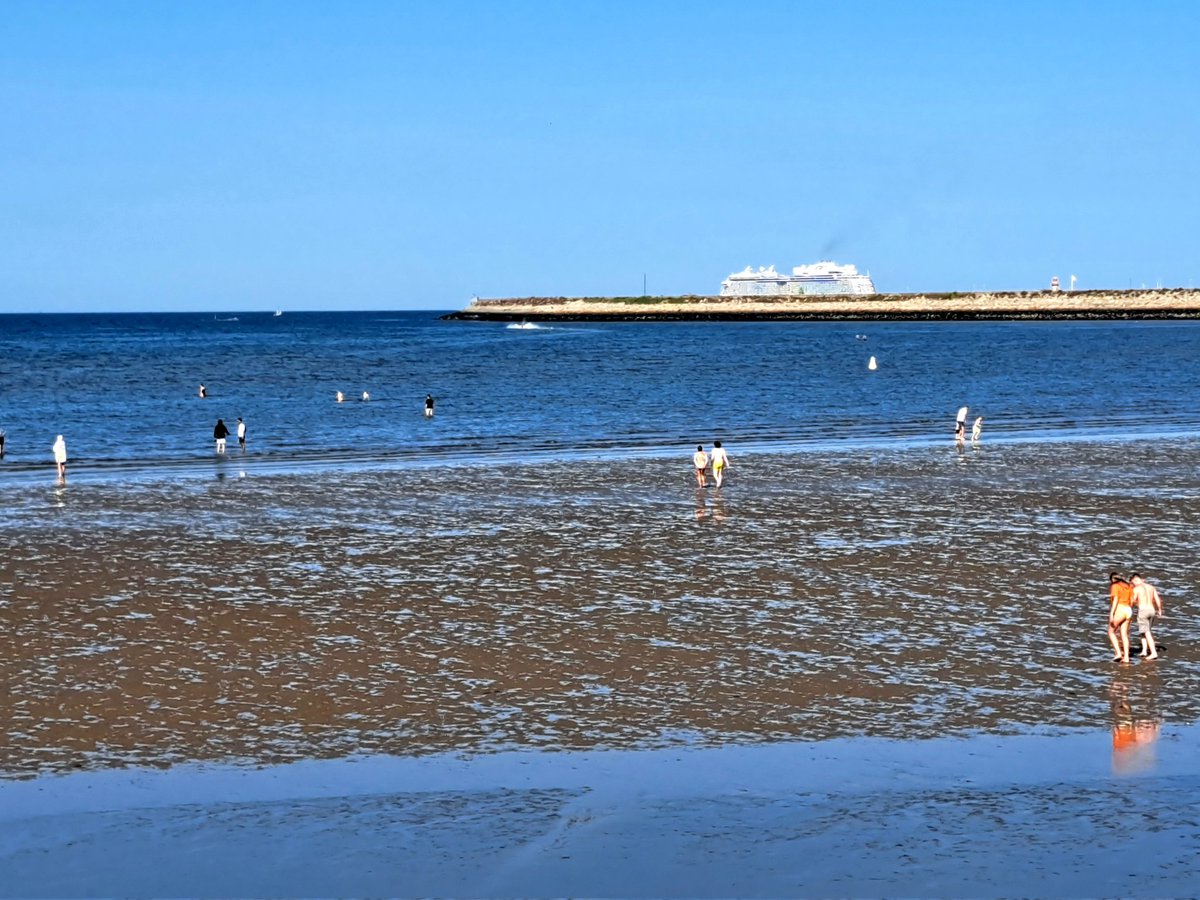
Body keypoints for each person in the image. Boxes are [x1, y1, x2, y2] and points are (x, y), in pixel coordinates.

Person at [1130, 572, 1164, 659]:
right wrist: (1159, 610)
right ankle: (1144, 650)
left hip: (1143, 610)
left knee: (1146, 632)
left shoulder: (1136, 589)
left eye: (1132, 583)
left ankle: (1153, 652)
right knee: (1144, 631)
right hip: (1152, 610)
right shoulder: (1151, 587)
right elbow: (1157, 599)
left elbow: (1132, 601)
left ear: (1134, 580)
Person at [1107, 572, 1133, 663]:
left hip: (1120, 609)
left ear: (1113, 579)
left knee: (1111, 632)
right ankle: (1126, 657)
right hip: (1128, 609)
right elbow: (1132, 601)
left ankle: (1118, 653)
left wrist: (1111, 614)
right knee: (1124, 635)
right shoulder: (1128, 586)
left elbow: (1116, 600)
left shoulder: (1115, 586)